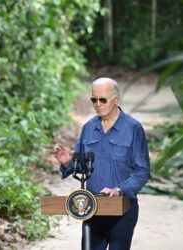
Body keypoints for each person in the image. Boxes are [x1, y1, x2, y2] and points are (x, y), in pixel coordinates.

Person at [53, 77, 150, 250]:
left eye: (103, 99)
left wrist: (119, 190)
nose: (98, 104)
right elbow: (83, 165)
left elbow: (142, 171)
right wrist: (69, 162)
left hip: (122, 210)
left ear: (116, 98)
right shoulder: (89, 127)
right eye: (94, 99)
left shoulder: (133, 128)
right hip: (92, 209)